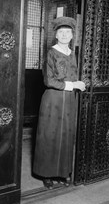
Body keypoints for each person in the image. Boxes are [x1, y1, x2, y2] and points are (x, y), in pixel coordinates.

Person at [33, 16, 86, 189]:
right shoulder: (51, 52)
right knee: (49, 136)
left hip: (69, 100)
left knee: (65, 135)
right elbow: (49, 81)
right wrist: (73, 85)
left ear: (72, 36)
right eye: (61, 32)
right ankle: (46, 174)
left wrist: (79, 84)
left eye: (68, 32)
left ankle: (62, 173)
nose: (64, 35)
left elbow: (74, 75)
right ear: (56, 35)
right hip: (53, 100)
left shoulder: (72, 54)